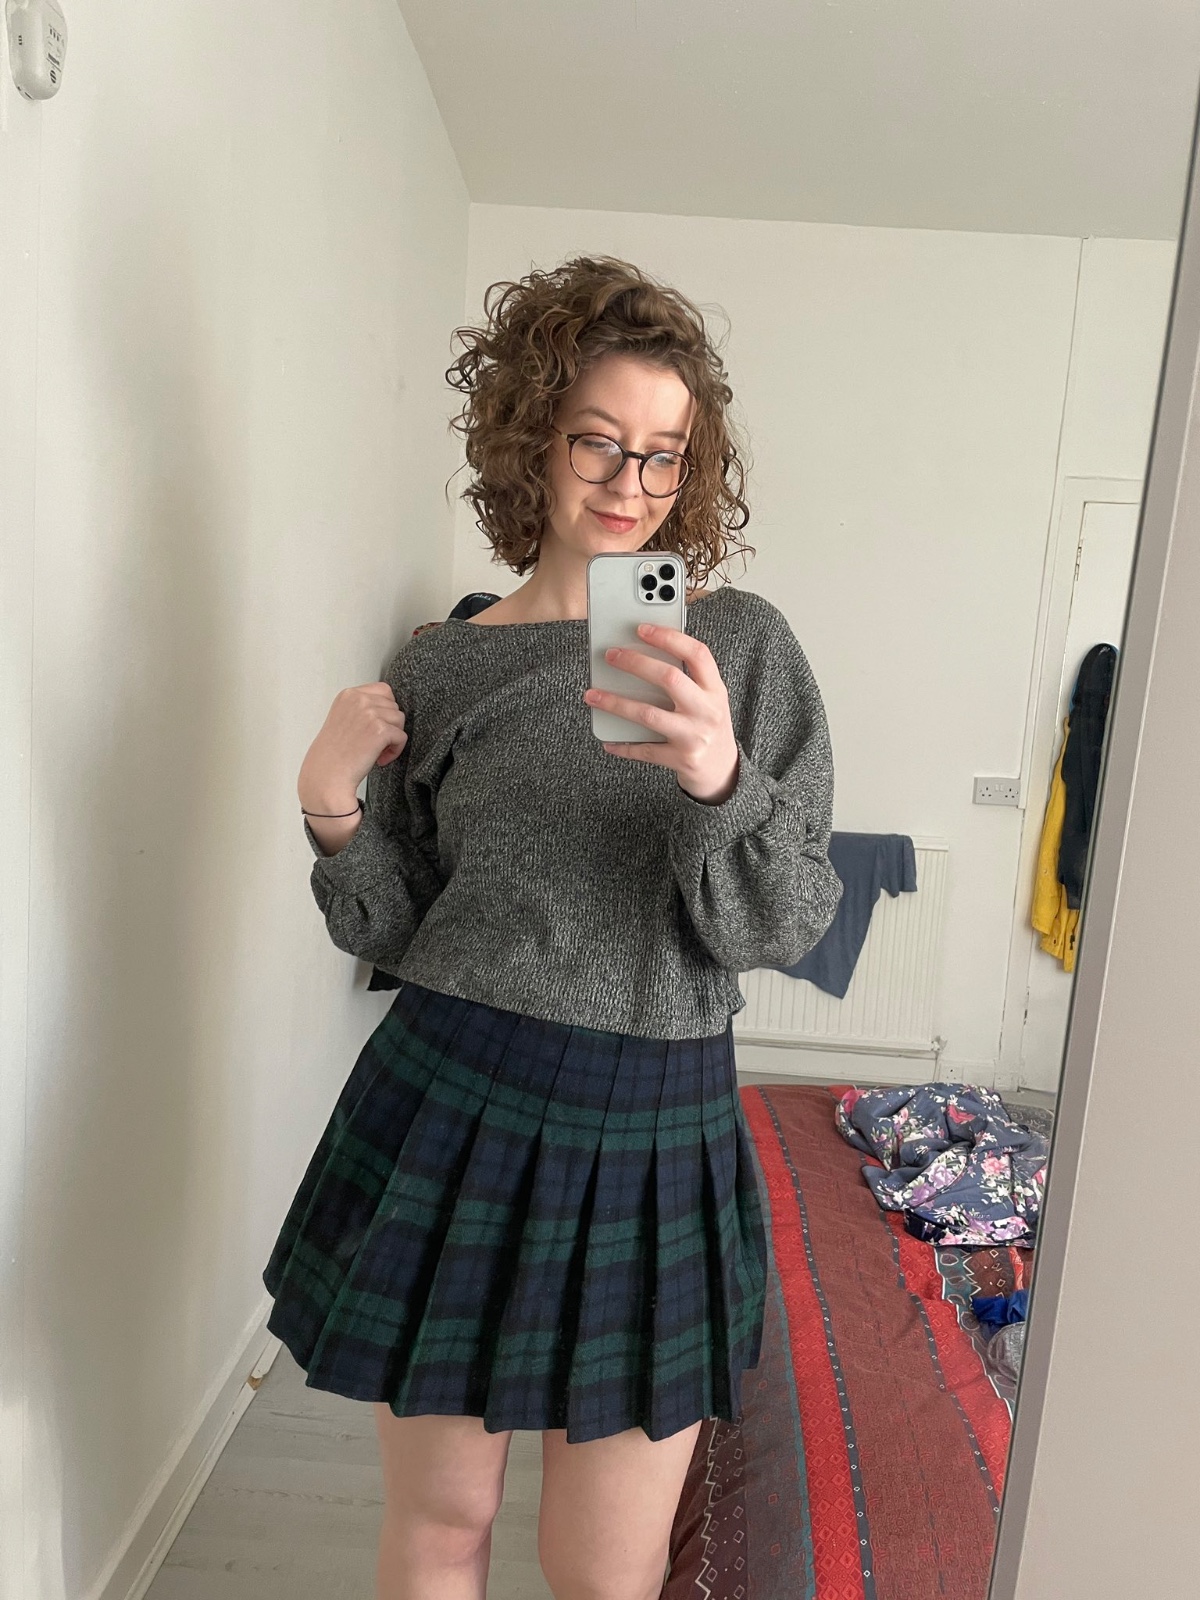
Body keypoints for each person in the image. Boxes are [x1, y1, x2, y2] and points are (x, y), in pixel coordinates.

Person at [262, 255, 843, 1600]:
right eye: (598, 442)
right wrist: (331, 808)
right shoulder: (443, 662)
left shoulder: (742, 647)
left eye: (663, 453)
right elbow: (399, 928)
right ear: (532, 439)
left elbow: (790, 919)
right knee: (441, 1526)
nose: (632, 484)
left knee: (603, 1571)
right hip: (453, 1100)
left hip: (656, 1122)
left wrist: (720, 779)